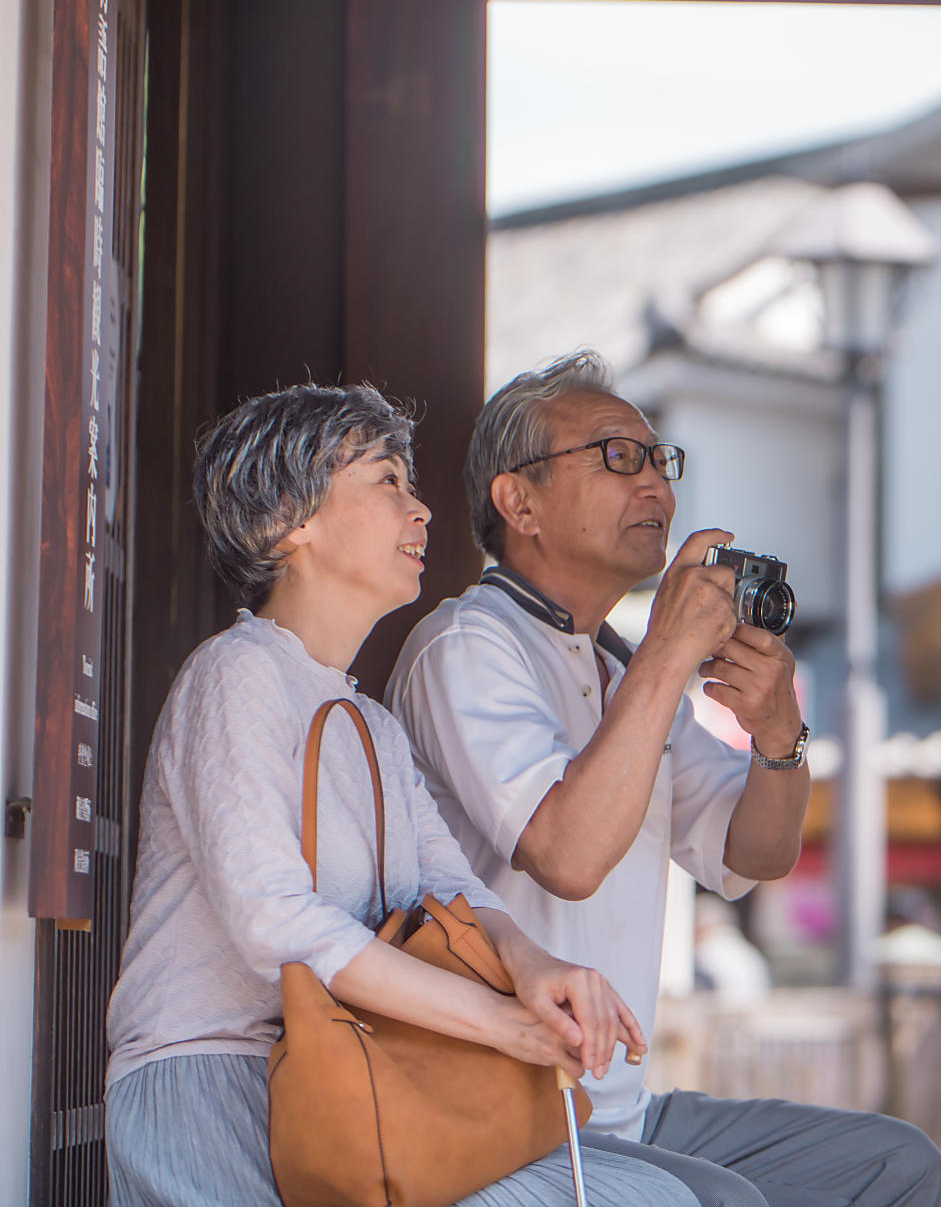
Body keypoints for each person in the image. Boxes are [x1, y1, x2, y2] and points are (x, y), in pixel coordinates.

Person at [104, 384, 698, 1207]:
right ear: (289, 517)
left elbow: (451, 887)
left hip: (338, 1076)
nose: (420, 512)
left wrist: (537, 967)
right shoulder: (236, 673)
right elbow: (274, 923)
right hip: (216, 1084)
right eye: (387, 482)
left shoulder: (369, 722)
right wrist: (499, 1024)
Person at [387, 352, 941, 1207]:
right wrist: (669, 651)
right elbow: (567, 855)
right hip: (502, 1109)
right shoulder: (468, 644)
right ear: (519, 501)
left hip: (623, 1112)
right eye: (617, 457)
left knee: (895, 1163)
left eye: (660, 459)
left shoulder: (620, 668)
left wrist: (777, 733)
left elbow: (756, 853)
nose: (655, 485)